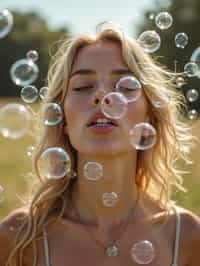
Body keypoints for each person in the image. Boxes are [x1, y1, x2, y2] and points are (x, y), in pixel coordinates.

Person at [0, 21, 200, 266]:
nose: (103, 96)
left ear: (150, 115)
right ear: (61, 118)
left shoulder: (188, 236)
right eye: (83, 86)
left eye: (125, 86)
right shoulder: (19, 237)